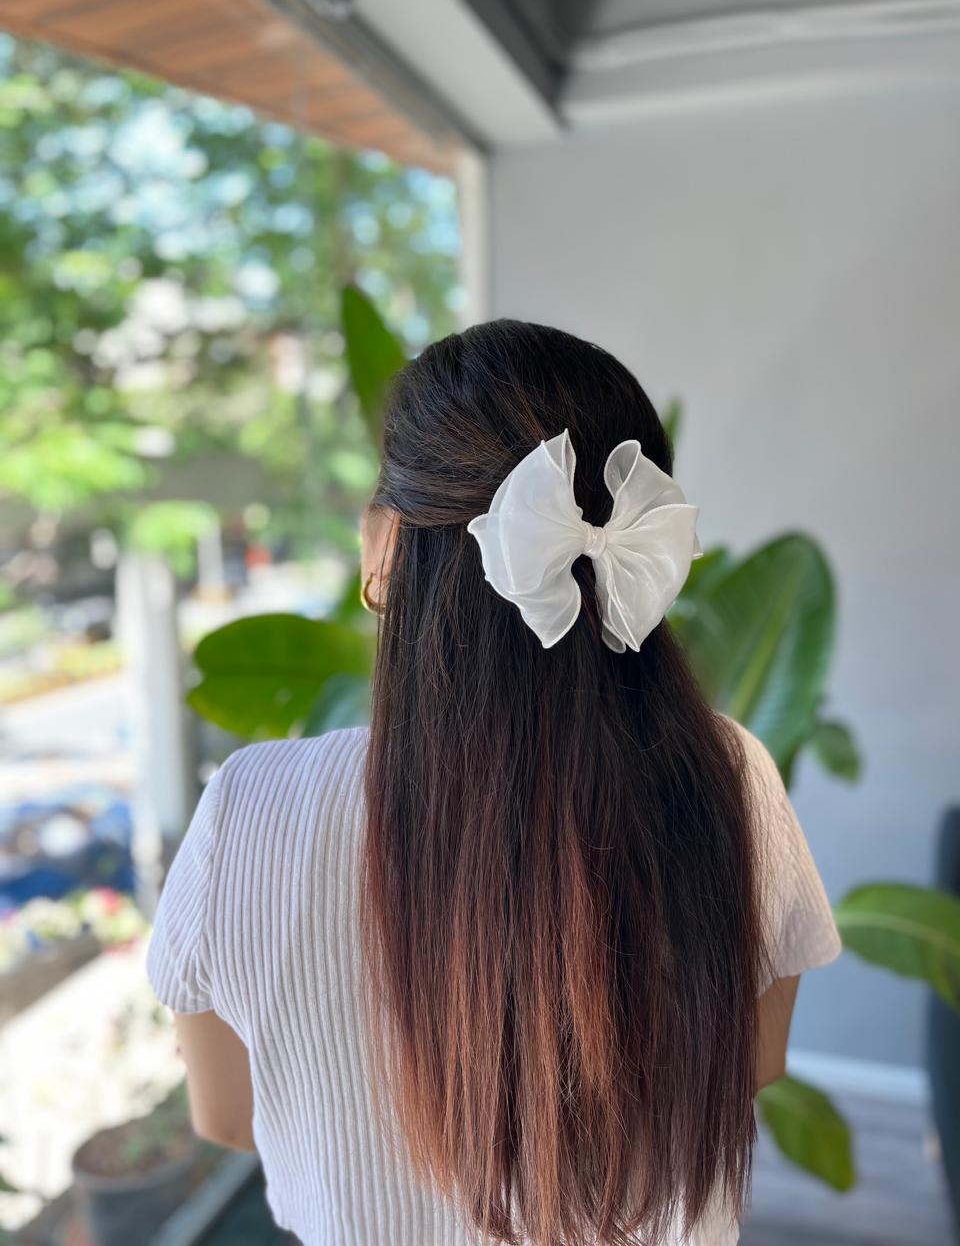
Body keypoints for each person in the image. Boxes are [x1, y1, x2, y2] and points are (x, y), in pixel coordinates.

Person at [147, 320, 841, 1246]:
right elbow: (751, 1063)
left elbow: (228, 1116)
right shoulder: (732, 776)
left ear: (383, 545)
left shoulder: (249, 809)